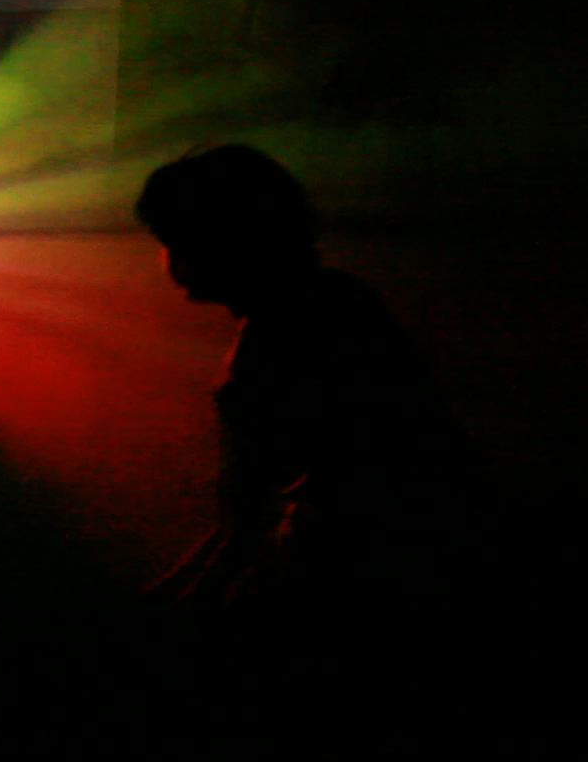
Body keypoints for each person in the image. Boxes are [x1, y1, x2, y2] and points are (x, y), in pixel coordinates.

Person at [136, 144, 477, 613]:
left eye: (174, 238)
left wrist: (200, 590)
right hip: (435, 536)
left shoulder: (273, 340)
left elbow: (249, 512)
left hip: (370, 564)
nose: (167, 258)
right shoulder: (344, 299)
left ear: (221, 241)